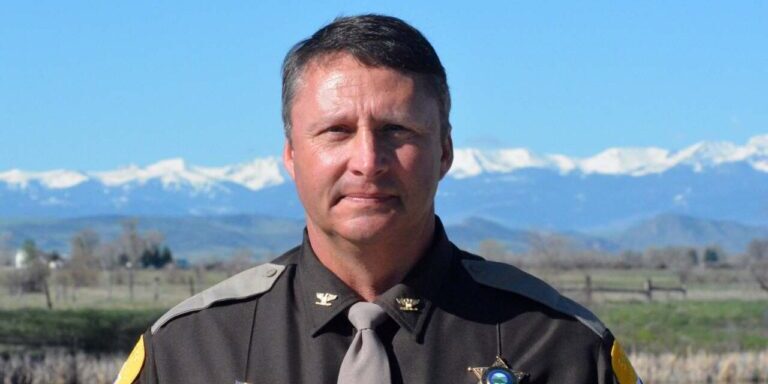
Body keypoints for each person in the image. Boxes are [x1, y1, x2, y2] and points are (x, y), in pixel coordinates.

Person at [116, 14, 642, 384]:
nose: (368, 161)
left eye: (397, 130)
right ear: (292, 155)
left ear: (445, 152)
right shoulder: (188, 350)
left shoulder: (561, 348)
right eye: (337, 131)